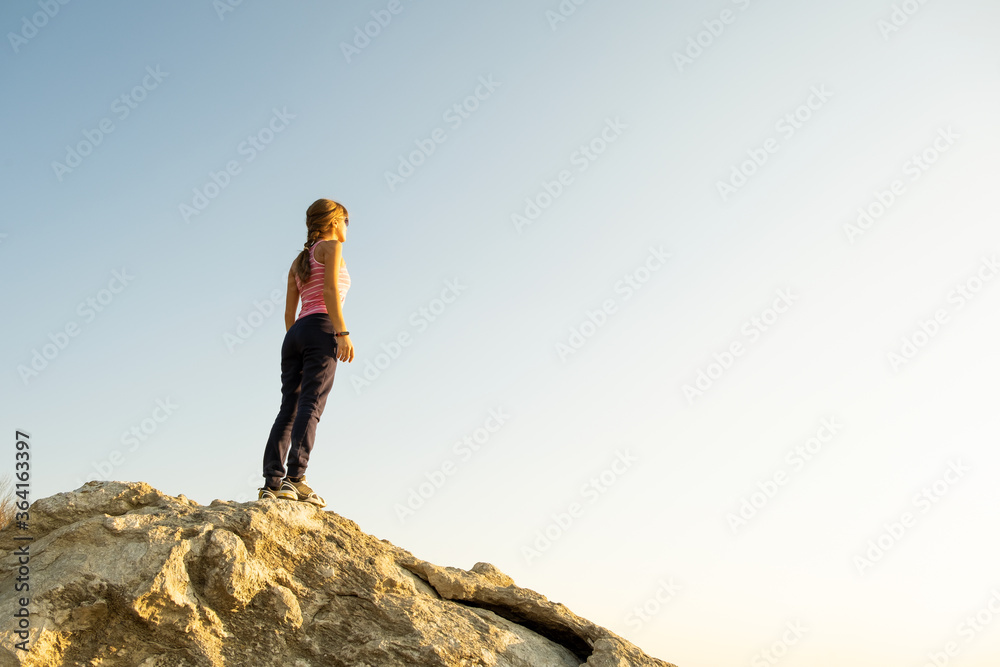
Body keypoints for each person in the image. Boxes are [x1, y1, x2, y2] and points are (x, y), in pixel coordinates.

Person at [258, 198, 355, 507]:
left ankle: (271, 483)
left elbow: (290, 312)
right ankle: (295, 480)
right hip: (321, 329)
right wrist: (341, 333)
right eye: (345, 221)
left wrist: (295, 339)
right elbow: (329, 293)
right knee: (310, 404)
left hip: (296, 333)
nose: (346, 228)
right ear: (333, 222)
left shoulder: (298, 260)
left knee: (289, 407)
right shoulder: (332, 248)